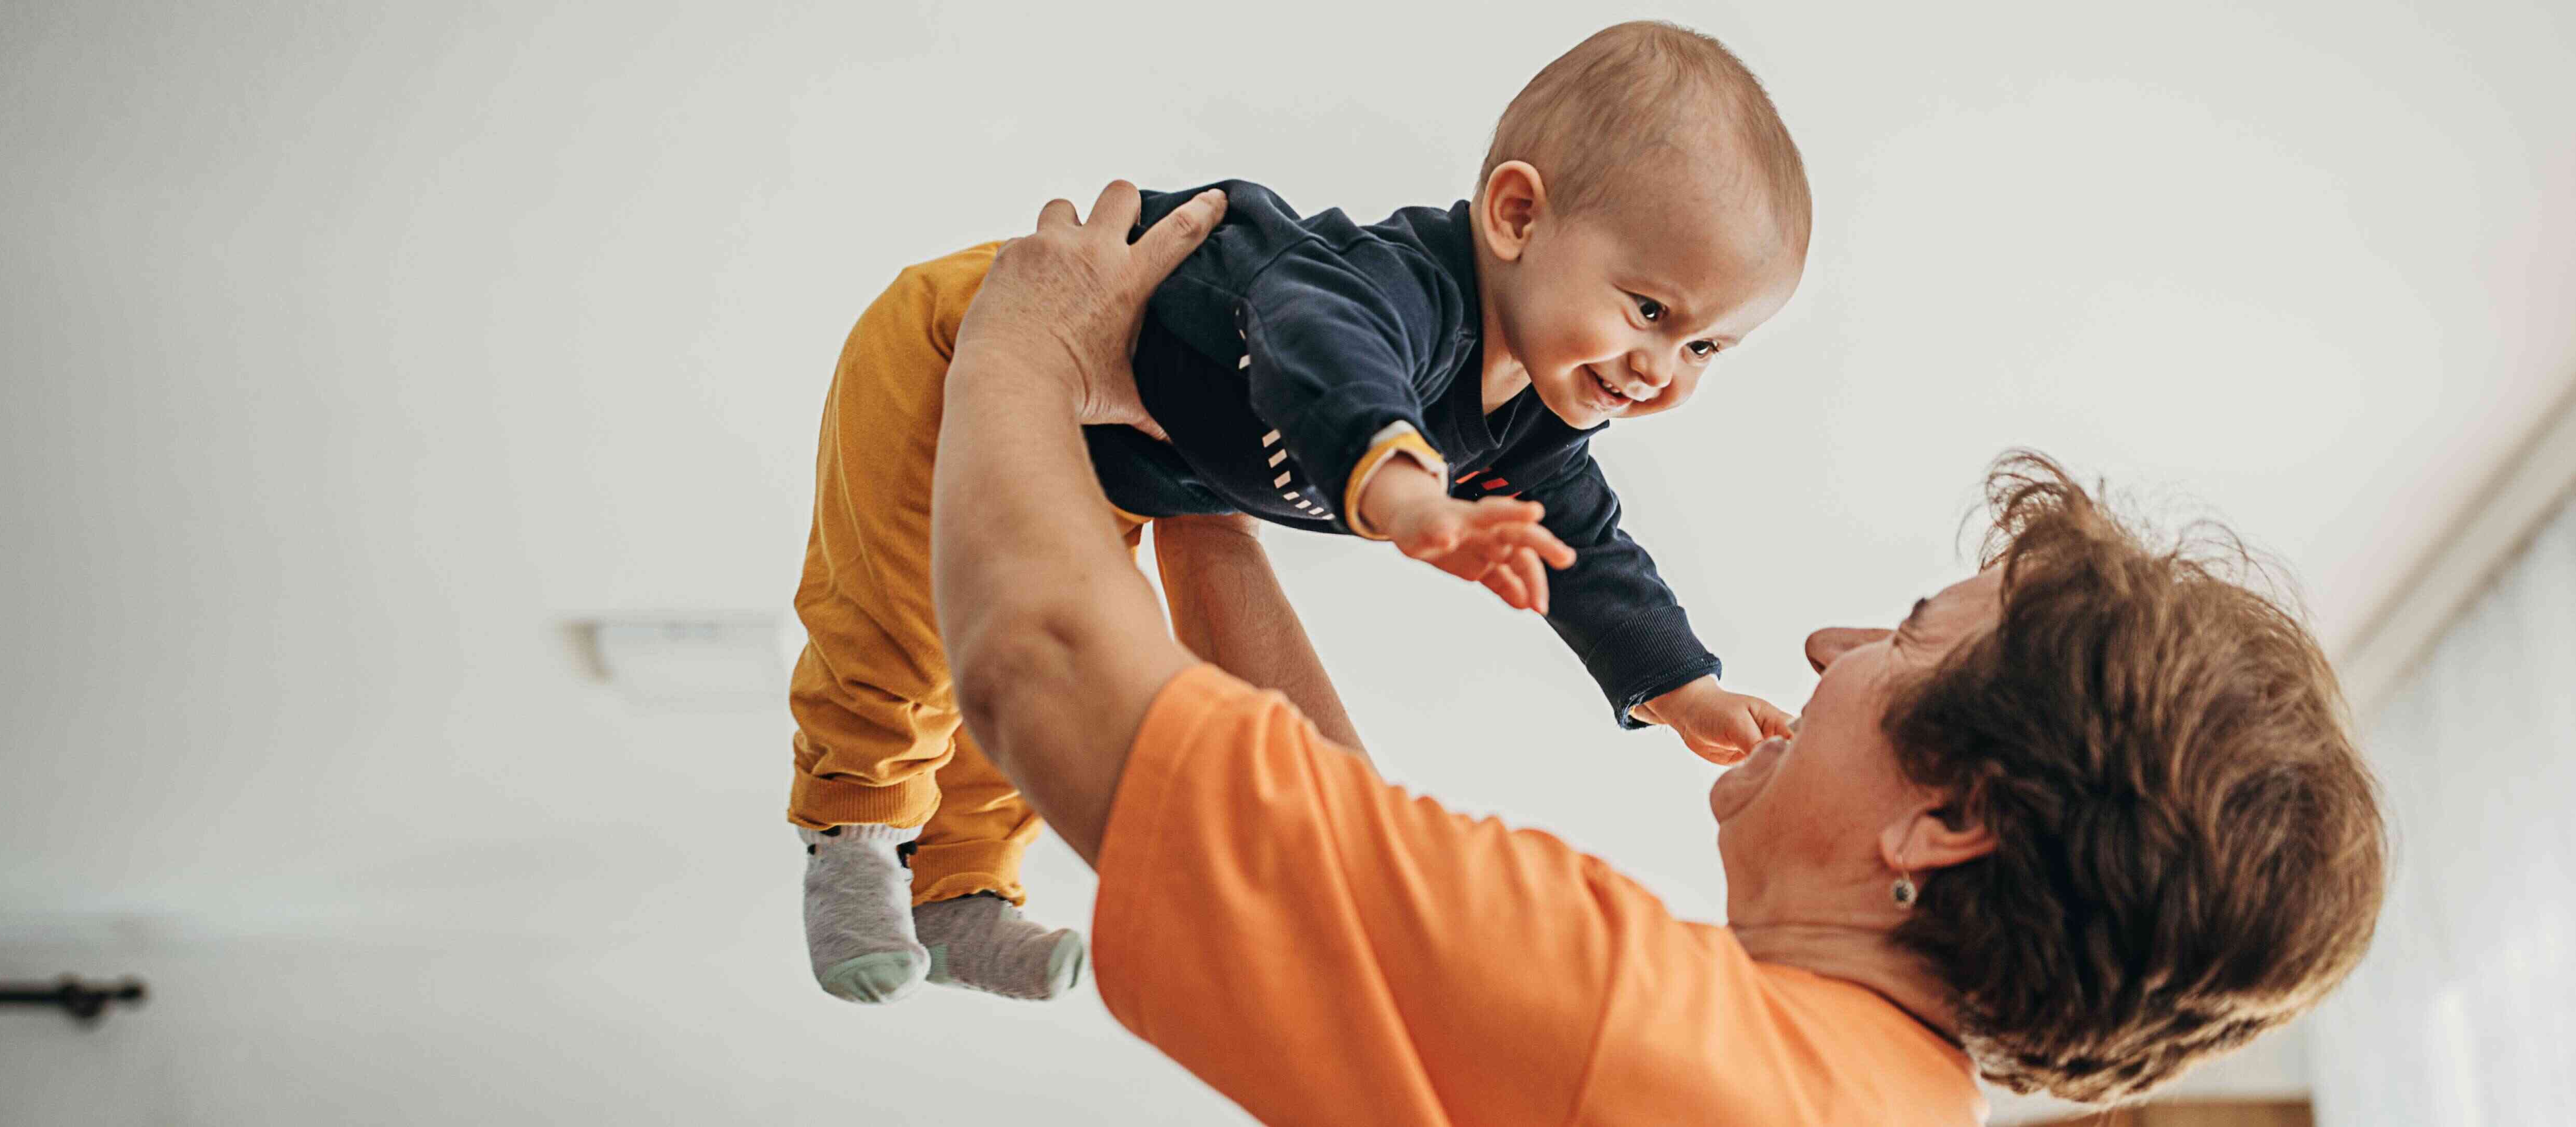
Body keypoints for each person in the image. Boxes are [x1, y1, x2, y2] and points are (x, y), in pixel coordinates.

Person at [931, 184, 2390, 1122]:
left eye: (1907, 638)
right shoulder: (1830, 1091)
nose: (1829, 645)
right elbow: (1338, 867)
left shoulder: (1666, 1043)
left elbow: (1043, 668)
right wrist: (1202, 482)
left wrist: (1027, 345)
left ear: (1950, 819)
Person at [787, 21, 1816, 1005]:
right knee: (901, 627)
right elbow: (1317, 342)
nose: (1659, 373)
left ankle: (960, 890)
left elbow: (1589, 552)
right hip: (969, 343)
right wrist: (1402, 489)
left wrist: (1679, 688)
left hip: (1110, 458)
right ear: (1514, 216)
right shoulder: (1402, 286)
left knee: (1024, 651)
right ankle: (851, 841)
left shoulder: (1535, 417)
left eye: (1704, 350)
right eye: (1649, 312)